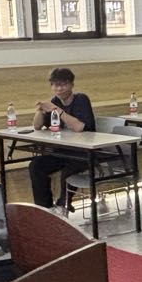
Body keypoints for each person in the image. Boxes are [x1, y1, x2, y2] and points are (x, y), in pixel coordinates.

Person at [27, 67, 96, 209]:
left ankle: (62, 205)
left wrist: (56, 110)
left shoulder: (81, 99)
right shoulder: (54, 101)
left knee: (68, 171)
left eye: (64, 84)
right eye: (56, 85)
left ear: (72, 85)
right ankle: (45, 208)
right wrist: (40, 110)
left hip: (84, 152)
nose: (59, 89)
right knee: (36, 165)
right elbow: (37, 126)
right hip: (63, 151)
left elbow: (79, 127)